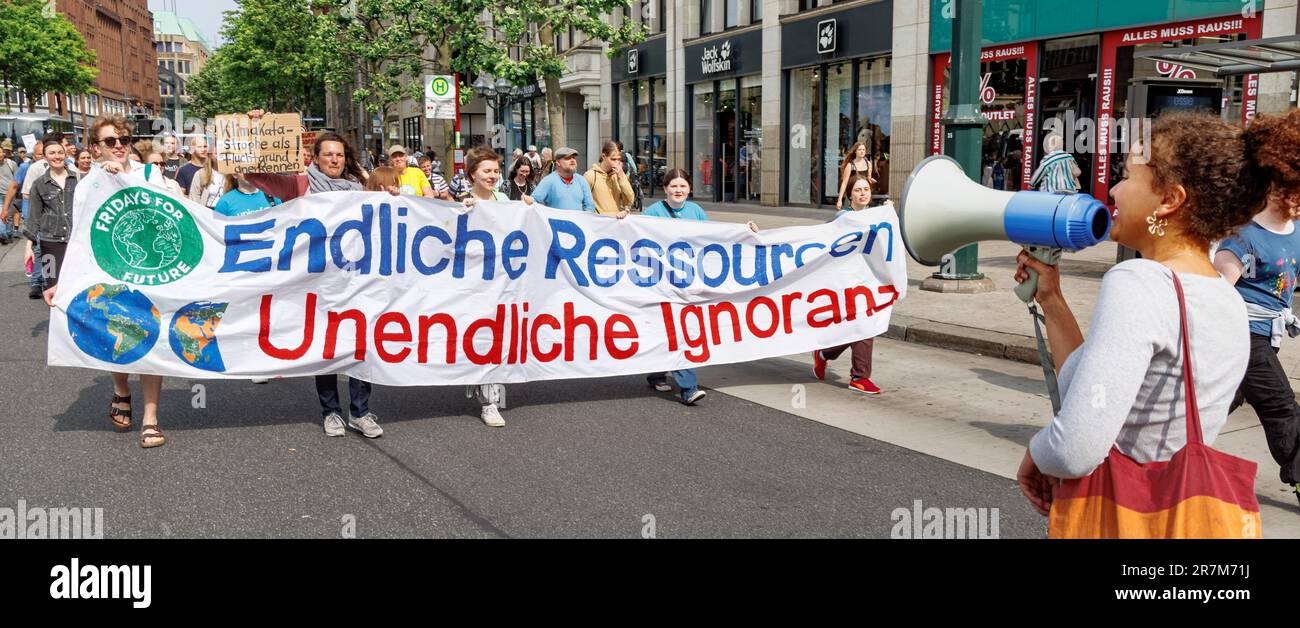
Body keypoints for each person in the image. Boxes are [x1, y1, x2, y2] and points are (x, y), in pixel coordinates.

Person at [1014, 111, 1300, 528]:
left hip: (1122, 518)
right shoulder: (1225, 297)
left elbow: (1075, 447)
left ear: (1169, 200)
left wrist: (1037, 453)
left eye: (1129, 176)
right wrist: (1052, 298)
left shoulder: (1139, 281)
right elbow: (1091, 387)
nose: (1114, 189)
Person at [242, 120, 386, 439]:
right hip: (318, 281)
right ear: (315, 157)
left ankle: (360, 411)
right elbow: (254, 175)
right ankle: (331, 411)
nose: (334, 160)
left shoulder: (358, 190)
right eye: (328, 155)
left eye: (339, 155)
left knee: (361, 345)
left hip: (355, 279)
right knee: (327, 346)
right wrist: (258, 129)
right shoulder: (300, 185)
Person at [82, 114, 172, 448]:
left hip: (151, 272)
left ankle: (151, 418)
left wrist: (127, 181)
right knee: (117, 335)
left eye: (123, 140)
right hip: (110, 274)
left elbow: (167, 215)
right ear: (96, 148)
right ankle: (121, 387)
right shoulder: (88, 182)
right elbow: (81, 233)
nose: (118, 146)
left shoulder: (150, 173)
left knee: (150, 336)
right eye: (110, 141)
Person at [1213, 180, 1300, 504]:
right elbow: (1215, 295)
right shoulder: (1243, 237)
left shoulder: (1297, 231)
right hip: (1242, 334)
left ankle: (1160, 449)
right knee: (1280, 406)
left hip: (1269, 332)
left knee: (1217, 402)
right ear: (1272, 190)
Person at [459, 146, 532, 426]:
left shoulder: (505, 199)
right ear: (472, 175)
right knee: (478, 335)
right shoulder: (464, 201)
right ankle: (481, 387)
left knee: (498, 336)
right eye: (486, 171)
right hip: (474, 281)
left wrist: (528, 211)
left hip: (504, 280)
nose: (492, 175)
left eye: (495, 170)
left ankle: (490, 399)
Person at [640, 169, 714, 405]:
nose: (678, 190)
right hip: (660, 282)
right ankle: (684, 385)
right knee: (672, 331)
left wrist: (745, 230)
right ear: (665, 189)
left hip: (687, 283)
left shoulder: (696, 211)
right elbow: (634, 237)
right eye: (674, 186)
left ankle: (666, 377)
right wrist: (623, 219)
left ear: (689, 189)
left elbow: (716, 239)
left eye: (682, 186)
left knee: (679, 331)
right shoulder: (653, 212)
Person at [812, 174, 885, 394]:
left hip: (867, 281)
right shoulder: (842, 217)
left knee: (859, 325)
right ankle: (859, 377)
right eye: (858, 190)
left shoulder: (877, 216)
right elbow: (818, 239)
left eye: (866, 189)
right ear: (849, 195)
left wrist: (889, 213)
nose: (863, 193)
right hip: (845, 281)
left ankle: (825, 353)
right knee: (864, 324)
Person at [25, 137, 77, 306]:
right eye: (52, 153)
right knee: (51, 287)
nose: (57, 156)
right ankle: (57, 328)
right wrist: (29, 249)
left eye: (60, 152)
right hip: (49, 244)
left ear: (65, 154)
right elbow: (33, 217)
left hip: (76, 242)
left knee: (75, 287)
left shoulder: (77, 179)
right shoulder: (39, 184)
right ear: (45, 157)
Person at [531, 147, 596, 212]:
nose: (572, 160)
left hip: (578, 221)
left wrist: (585, 219)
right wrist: (528, 200)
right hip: (555, 221)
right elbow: (533, 200)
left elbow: (590, 206)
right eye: (568, 158)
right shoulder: (548, 180)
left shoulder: (581, 180)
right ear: (558, 162)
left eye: (573, 158)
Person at [583, 141, 635, 217]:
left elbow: (630, 200)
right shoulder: (590, 175)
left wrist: (622, 177)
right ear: (604, 156)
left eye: (618, 159)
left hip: (614, 223)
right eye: (613, 159)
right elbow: (583, 202)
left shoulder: (619, 175)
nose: (617, 163)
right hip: (597, 223)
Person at [214, 173, 282, 217]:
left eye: (252, 169)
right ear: (234, 175)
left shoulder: (272, 195)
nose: (248, 173)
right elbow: (217, 231)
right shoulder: (225, 202)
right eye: (243, 169)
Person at [835, 142, 875, 210]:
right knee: (850, 213)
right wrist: (840, 200)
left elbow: (868, 178)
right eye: (860, 150)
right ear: (855, 151)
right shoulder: (850, 165)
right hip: (853, 194)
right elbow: (844, 183)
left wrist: (871, 179)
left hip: (862, 194)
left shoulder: (868, 164)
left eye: (863, 150)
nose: (862, 151)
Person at [187, 143, 226, 209]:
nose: (219, 156)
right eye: (216, 153)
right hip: (208, 211)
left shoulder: (232, 174)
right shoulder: (201, 173)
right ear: (210, 155)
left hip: (226, 212)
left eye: (222, 153)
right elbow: (194, 196)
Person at [0, 139, 17, 245]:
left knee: (9, 215)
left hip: (9, 194)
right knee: (1, 214)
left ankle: (9, 233)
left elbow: (17, 180)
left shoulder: (12, 164)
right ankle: (3, 234)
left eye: (0, 152)